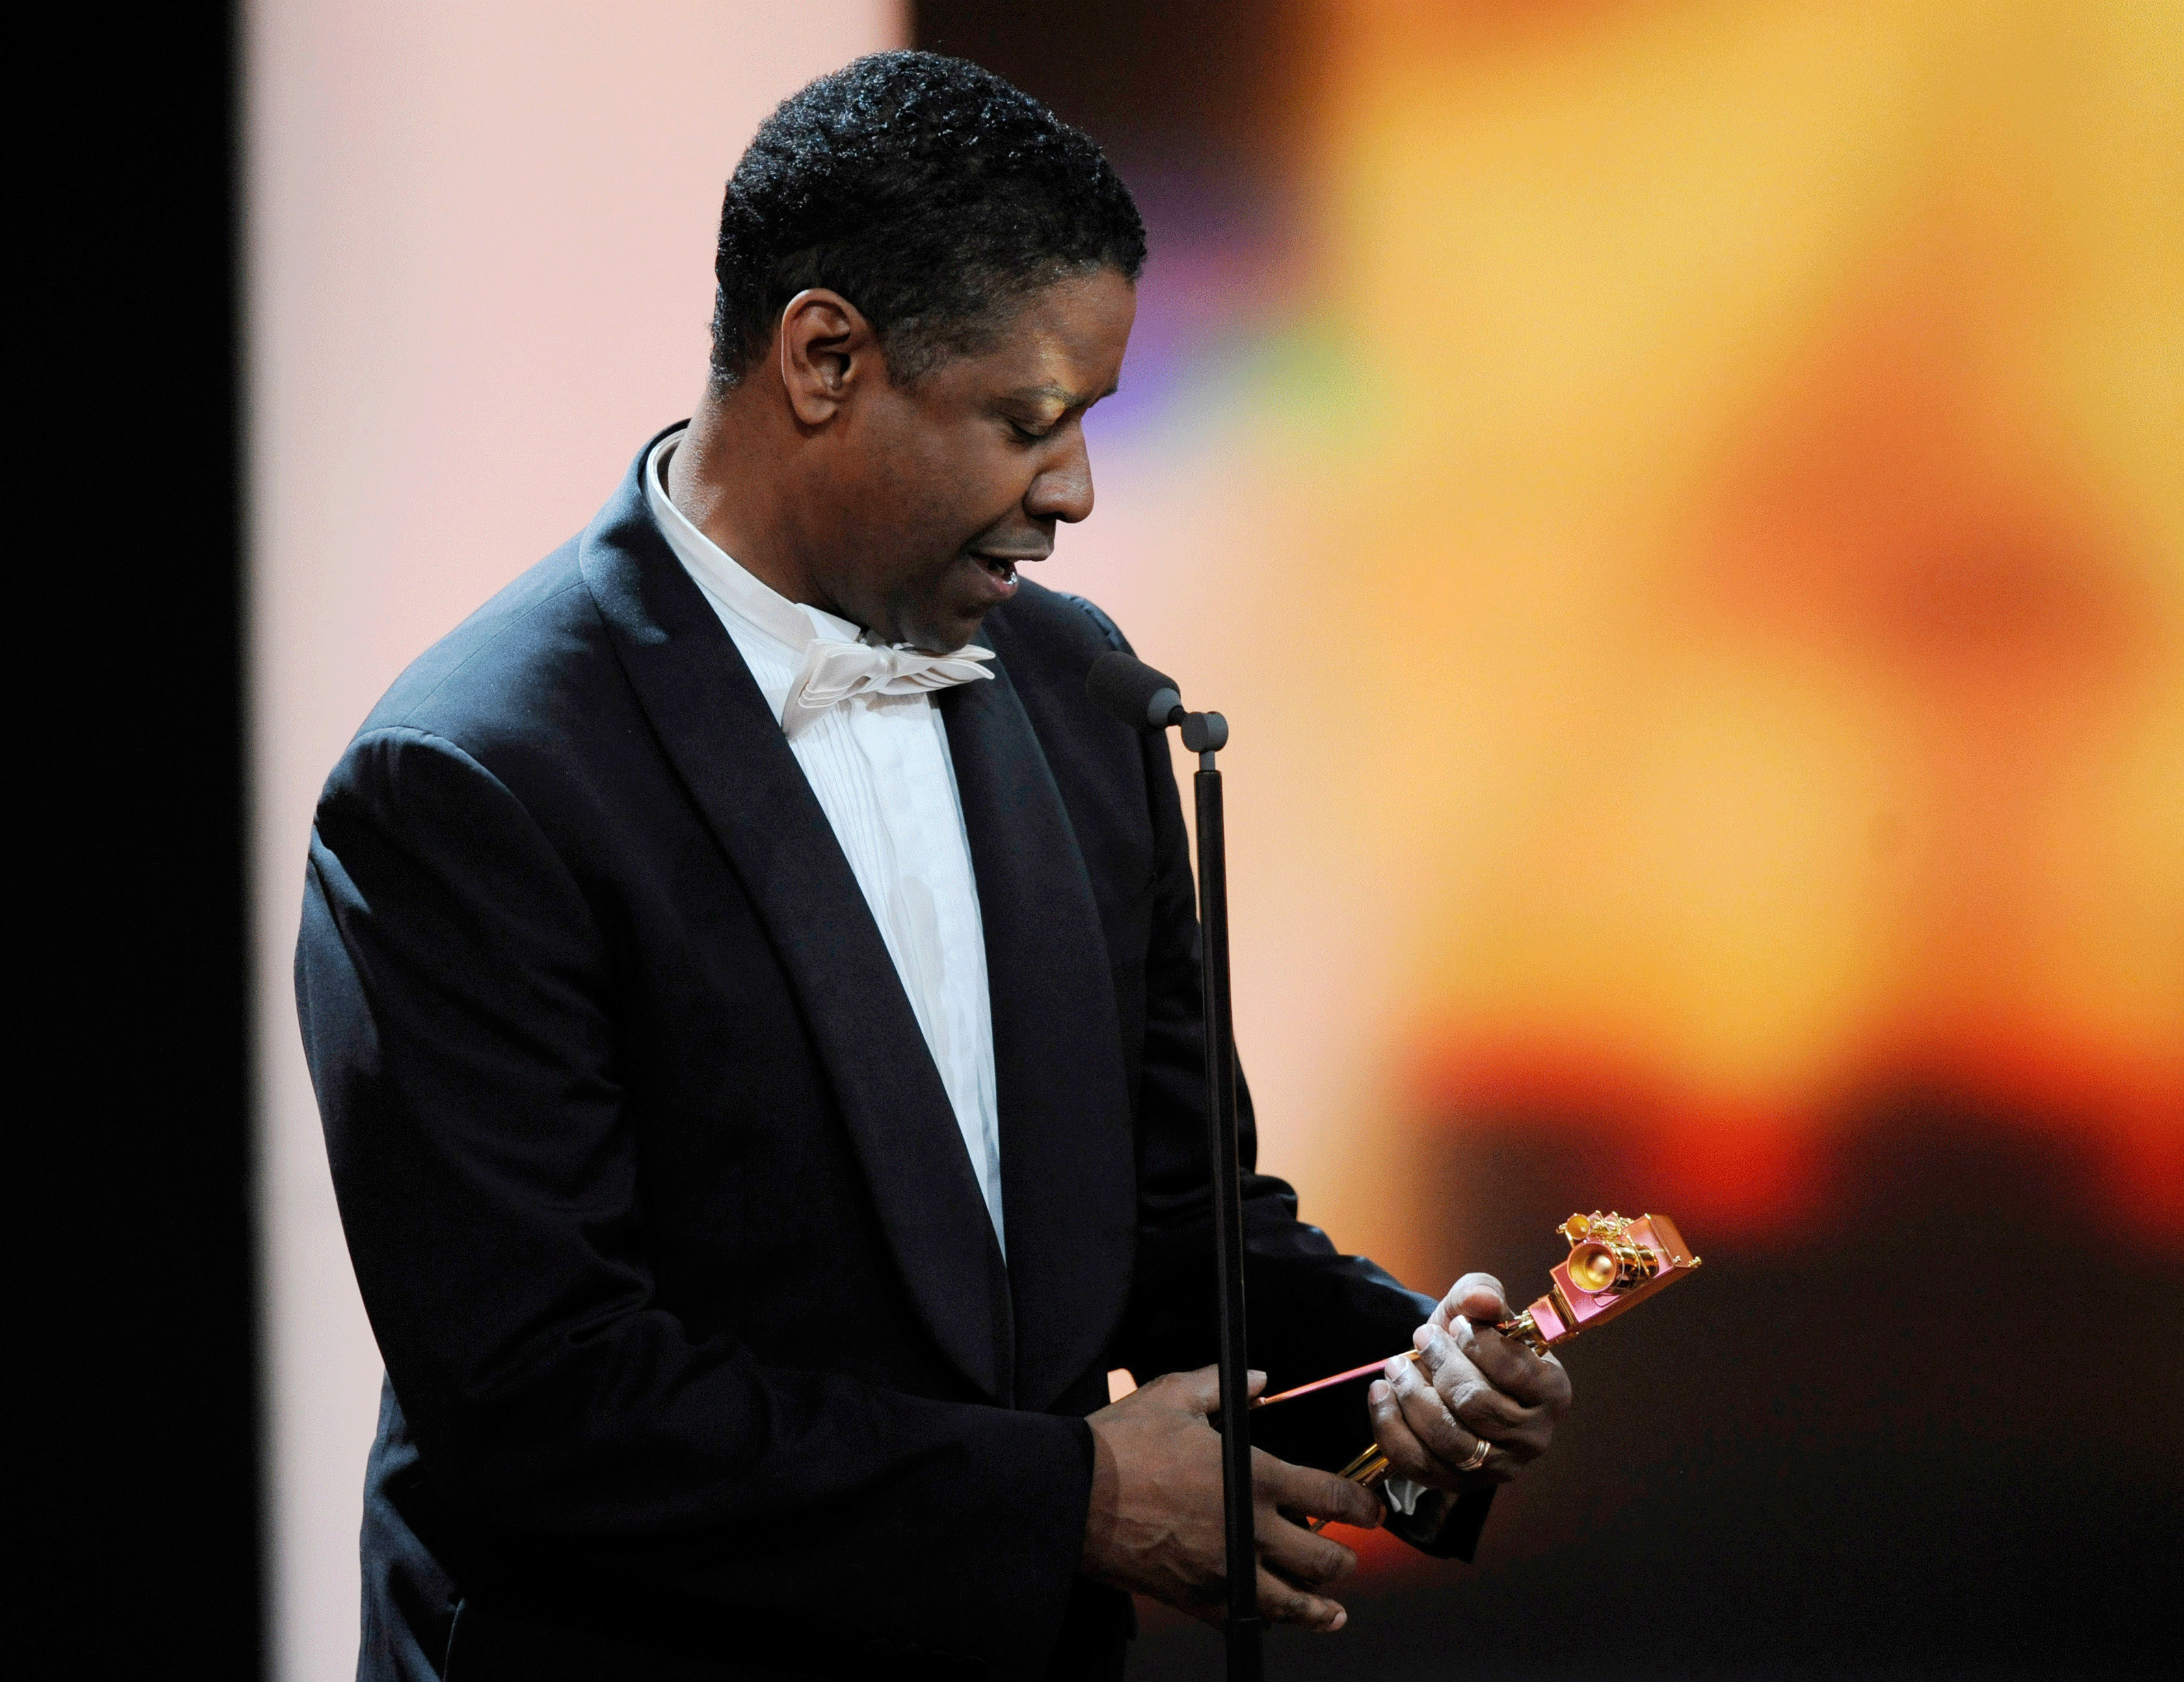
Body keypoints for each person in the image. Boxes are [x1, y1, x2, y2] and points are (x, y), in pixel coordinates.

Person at [297, 50, 1571, 1682]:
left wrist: (1413, 1371)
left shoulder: (1076, 694)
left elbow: (1175, 1222)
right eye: (1029, 422)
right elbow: (551, 1404)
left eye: (1091, 422)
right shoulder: (470, 785)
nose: (1077, 493)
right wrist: (1074, 1504)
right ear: (824, 355)